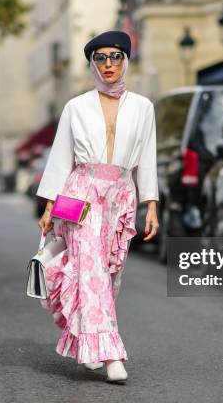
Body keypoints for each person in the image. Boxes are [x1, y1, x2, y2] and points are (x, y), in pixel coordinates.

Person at [36, 30, 159, 384]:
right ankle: (110, 355)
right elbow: (61, 158)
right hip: (80, 192)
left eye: (116, 56)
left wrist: (151, 204)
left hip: (121, 194)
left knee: (107, 274)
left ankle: (88, 344)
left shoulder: (143, 107)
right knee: (89, 270)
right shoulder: (76, 106)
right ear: (92, 63)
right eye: (101, 58)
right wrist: (48, 206)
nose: (109, 64)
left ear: (126, 61)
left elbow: (147, 158)